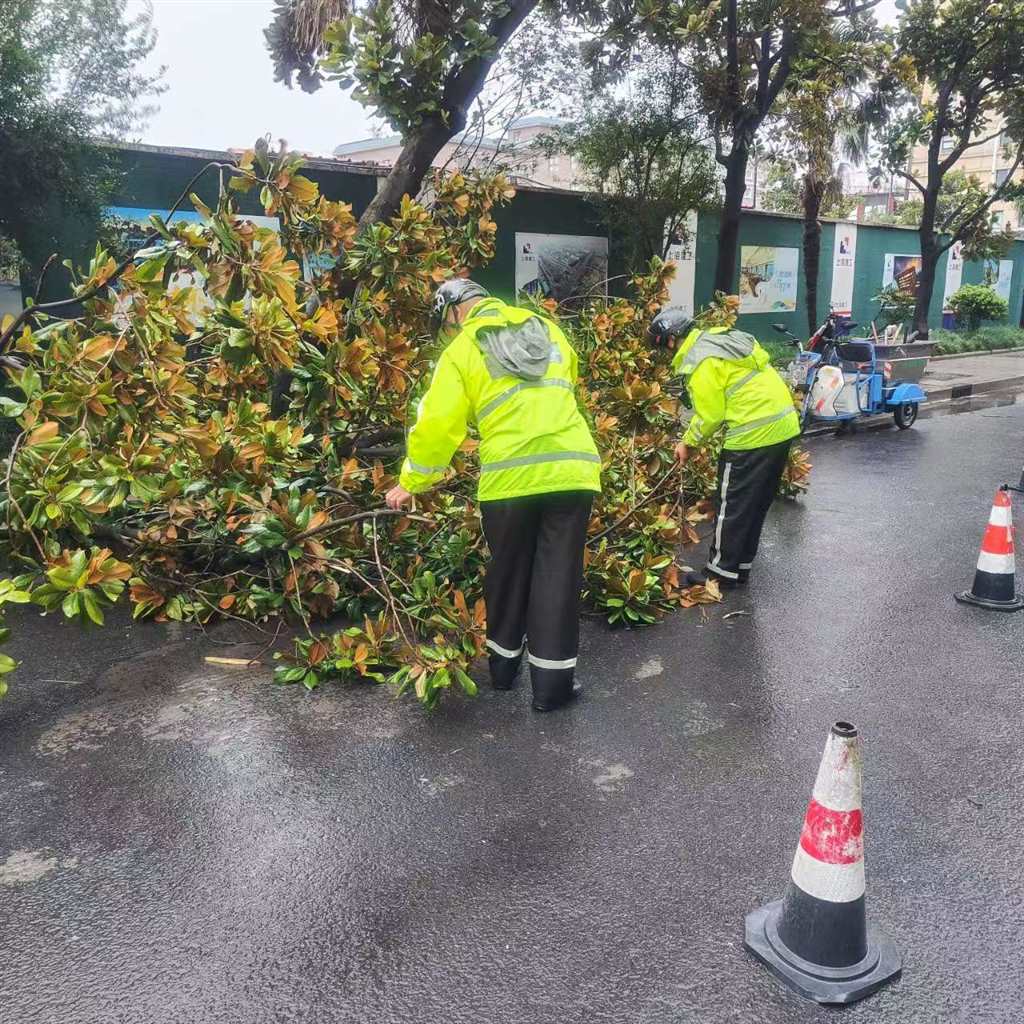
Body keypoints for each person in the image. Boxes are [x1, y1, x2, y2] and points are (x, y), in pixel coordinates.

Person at [385, 279, 601, 711]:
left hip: (509, 481)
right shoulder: (546, 328)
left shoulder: (463, 349)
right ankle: (552, 691)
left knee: (508, 571)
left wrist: (411, 482)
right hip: (571, 469)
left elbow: (437, 425)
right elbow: (569, 381)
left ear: (452, 311)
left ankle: (503, 672)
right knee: (556, 576)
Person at [648, 308, 801, 589]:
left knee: (730, 502)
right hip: (782, 426)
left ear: (670, 340)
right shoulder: (719, 341)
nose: (665, 354)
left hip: (752, 432)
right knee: (755, 504)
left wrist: (688, 443)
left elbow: (710, 415)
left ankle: (718, 574)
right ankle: (738, 567)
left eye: (662, 347)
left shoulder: (701, 360)